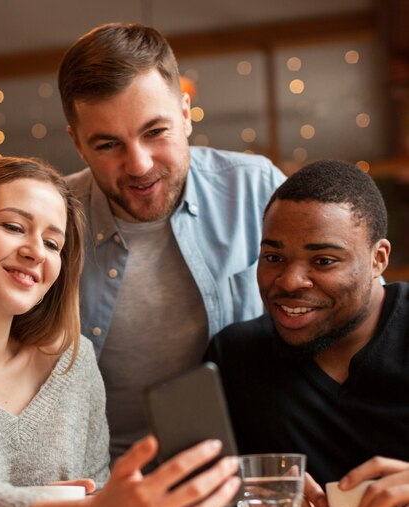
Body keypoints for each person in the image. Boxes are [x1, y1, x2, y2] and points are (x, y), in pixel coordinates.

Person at [0, 156, 241, 507]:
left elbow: (94, 502)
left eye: (53, 243)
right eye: (14, 227)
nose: (36, 252)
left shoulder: (72, 363)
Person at [57, 23, 286, 464]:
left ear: (185, 113)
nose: (139, 165)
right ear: (78, 145)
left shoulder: (259, 191)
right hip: (104, 485)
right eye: (108, 145)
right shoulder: (54, 221)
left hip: (244, 475)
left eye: (155, 132)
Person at [206, 159, 409, 507]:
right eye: (274, 258)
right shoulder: (234, 358)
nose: (290, 280)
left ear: (378, 259)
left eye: (323, 261)